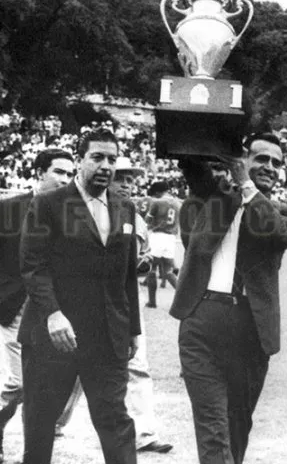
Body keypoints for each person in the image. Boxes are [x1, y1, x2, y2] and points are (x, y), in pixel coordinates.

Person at [171, 132, 287, 464]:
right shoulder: (212, 198)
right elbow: (193, 165)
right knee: (214, 431)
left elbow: (273, 231)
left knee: (238, 428)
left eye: (276, 162)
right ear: (242, 160)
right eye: (261, 159)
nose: (270, 167)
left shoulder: (286, 214)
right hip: (202, 321)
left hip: (252, 331)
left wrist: (246, 185)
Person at [19, 129, 141, 464]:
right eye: (97, 157)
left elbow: (127, 275)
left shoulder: (125, 207)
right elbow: (33, 265)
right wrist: (53, 313)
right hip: (56, 336)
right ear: (80, 160)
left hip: (108, 337)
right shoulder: (48, 204)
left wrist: (132, 329)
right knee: (41, 421)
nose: (105, 166)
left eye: (112, 160)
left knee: (115, 419)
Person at [53, 157, 173, 455]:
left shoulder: (132, 214)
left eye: (131, 179)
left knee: (137, 367)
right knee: (78, 369)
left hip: (124, 305)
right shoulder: (83, 211)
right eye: (122, 177)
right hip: (87, 305)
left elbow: (140, 262)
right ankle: (54, 420)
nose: (127, 184)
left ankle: (145, 433)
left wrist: (142, 265)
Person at [0, 148, 75, 464]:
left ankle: (42, 437)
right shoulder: (8, 208)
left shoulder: (73, 212)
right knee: (22, 381)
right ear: (39, 172)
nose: (65, 179)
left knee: (66, 378)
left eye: (70, 174)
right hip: (16, 306)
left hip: (56, 308)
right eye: (59, 171)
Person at [143, 181, 181, 307]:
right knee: (169, 271)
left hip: (157, 236)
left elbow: (148, 219)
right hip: (171, 238)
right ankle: (183, 298)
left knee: (152, 269)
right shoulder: (177, 203)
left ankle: (152, 302)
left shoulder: (157, 202)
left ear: (158, 192)